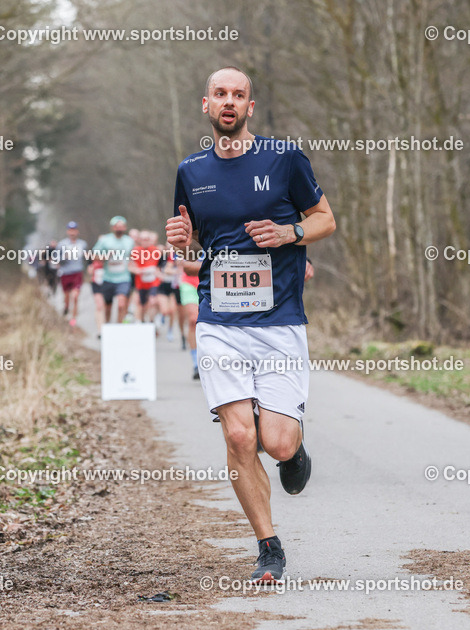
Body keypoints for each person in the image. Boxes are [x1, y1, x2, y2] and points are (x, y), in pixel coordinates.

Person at [166, 66, 336, 584]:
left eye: (238, 95)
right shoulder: (190, 170)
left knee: (277, 442)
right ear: (206, 104)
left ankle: (295, 448)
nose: (229, 102)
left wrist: (288, 233)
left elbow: (325, 219)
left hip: (280, 320)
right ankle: (269, 546)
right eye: (220, 94)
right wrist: (180, 241)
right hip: (219, 320)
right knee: (240, 437)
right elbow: (197, 247)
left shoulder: (284, 159)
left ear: (250, 107)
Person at [91, 216, 135, 324]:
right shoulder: (105, 240)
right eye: (117, 226)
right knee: (108, 307)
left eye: (122, 227)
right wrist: (106, 256)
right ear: (112, 228)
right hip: (108, 278)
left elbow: (133, 258)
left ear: (125, 228)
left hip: (123, 278)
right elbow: (94, 255)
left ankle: (118, 329)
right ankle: (107, 327)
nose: (119, 229)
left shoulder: (129, 241)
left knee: (121, 304)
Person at [58, 221, 88, 327]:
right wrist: (64, 257)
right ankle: (66, 307)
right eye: (70, 230)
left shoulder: (82, 244)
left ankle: (73, 319)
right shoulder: (62, 244)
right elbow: (56, 259)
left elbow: (86, 258)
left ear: (77, 231)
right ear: (67, 231)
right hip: (65, 273)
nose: (72, 232)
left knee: (75, 296)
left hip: (77, 272)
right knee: (67, 296)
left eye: (74, 230)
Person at [130, 231, 162, 325]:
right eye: (143, 239)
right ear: (140, 240)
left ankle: (152, 322)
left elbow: (160, 265)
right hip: (141, 282)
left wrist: (159, 272)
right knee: (141, 304)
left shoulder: (156, 250)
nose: (145, 241)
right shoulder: (136, 251)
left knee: (153, 301)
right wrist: (137, 270)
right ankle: (141, 320)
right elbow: (131, 266)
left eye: (147, 239)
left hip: (153, 282)